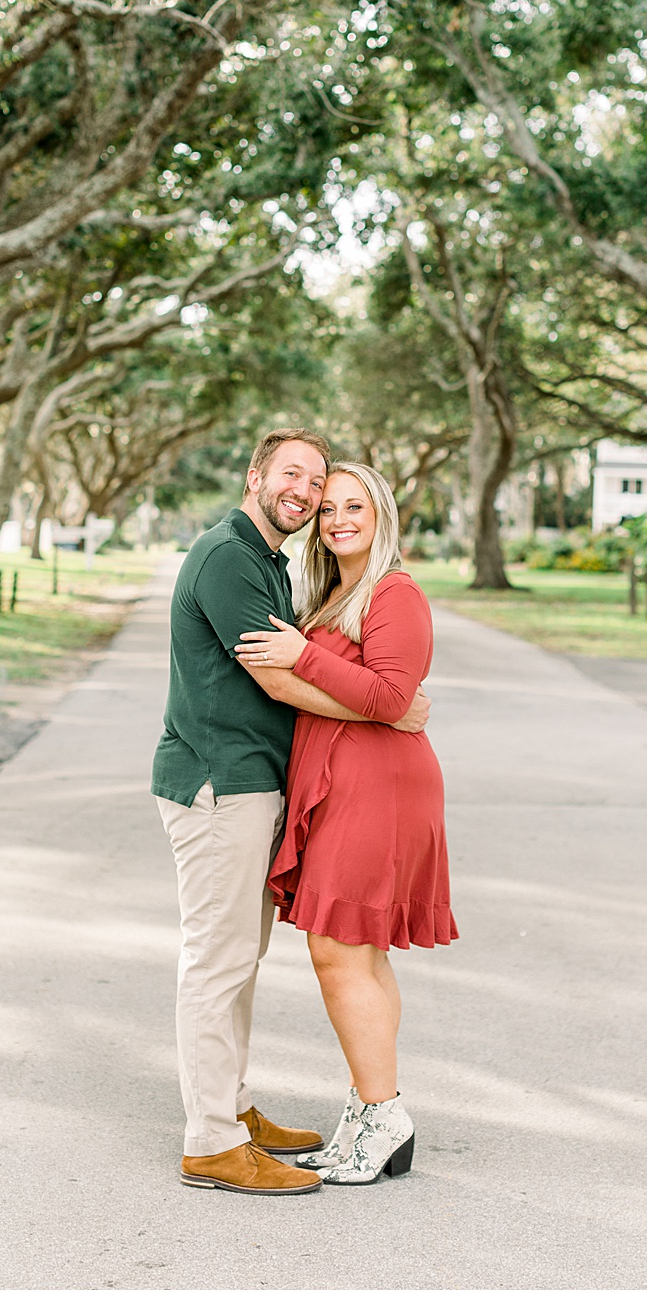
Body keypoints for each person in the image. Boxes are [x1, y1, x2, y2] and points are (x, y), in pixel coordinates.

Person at [153, 429, 429, 1196]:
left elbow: (362, 675)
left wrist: (385, 704)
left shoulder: (275, 563)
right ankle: (211, 1139)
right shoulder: (227, 556)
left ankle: (231, 1110)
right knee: (218, 961)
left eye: (324, 485)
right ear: (256, 477)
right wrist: (388, 713)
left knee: (238, 958)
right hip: (220, 784)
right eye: (297, 476)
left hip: (255, 786)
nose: (308, 495)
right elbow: (275, 679)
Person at [236, 461, 455, 1186]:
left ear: (381, 513)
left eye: (352, 506)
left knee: (339, 950)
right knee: (361, 953)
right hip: (346, 785)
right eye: (328, 509)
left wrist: (303, 655)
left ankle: (384, 1112)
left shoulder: (396, 594)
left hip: (380, 789)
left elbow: (392, 697)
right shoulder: (334, 593)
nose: (336, 520)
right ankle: (371, 1114)